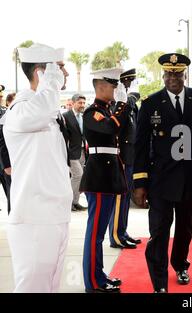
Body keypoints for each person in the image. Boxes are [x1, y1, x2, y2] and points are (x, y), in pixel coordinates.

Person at [133, 53, 192, 293]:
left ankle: (180, 264)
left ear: (184, 74)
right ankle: (159, 282)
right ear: (163, 75)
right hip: (160, 180)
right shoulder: (150, 104)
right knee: (158, 231)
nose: (173, 78)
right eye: (169, 73)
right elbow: (140, 146)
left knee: (184, 229)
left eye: (177, 74)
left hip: (190, 179)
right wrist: (139, 182)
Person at [3, 43, 72, 293]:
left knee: (50, 287)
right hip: (34, 219)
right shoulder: (21, 110)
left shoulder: (46, 110)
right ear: (42, 73)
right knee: (32, 288)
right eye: (60, 69)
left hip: (55, 214)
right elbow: (40, 110)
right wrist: (50, 83)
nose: (64, 74)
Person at [80, 68, 130, 293]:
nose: (116, 90)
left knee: (99, 234)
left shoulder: (106, 110)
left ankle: (99, 275)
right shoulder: (92, 112)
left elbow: (123, 130)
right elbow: (110, 127)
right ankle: (93, 282)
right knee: (95, 235)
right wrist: (121, 107)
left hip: (108, 177)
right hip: (99, 178)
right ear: (101, 87)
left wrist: (121, 109)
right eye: (113, 85)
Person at [109, 68, 141, 249]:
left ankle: (122, 231)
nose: (133, 86)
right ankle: (115, 236)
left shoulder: (129, 104)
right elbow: (118, 116)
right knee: (119, 198)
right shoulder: (117, 102)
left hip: (130, 156)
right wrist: (131, 98)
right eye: (130, 82)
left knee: (126, 197)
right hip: (120, 158)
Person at [63, 94, 88, 212]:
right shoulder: (66, 116)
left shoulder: (84, 116)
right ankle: (69, 202)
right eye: (80, 103)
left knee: (78, 178)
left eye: (84, 103)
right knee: (78, 175)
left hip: (82, 151)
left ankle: (75, 202)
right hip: (71, 152)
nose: (82, 105)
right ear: (73, 103)